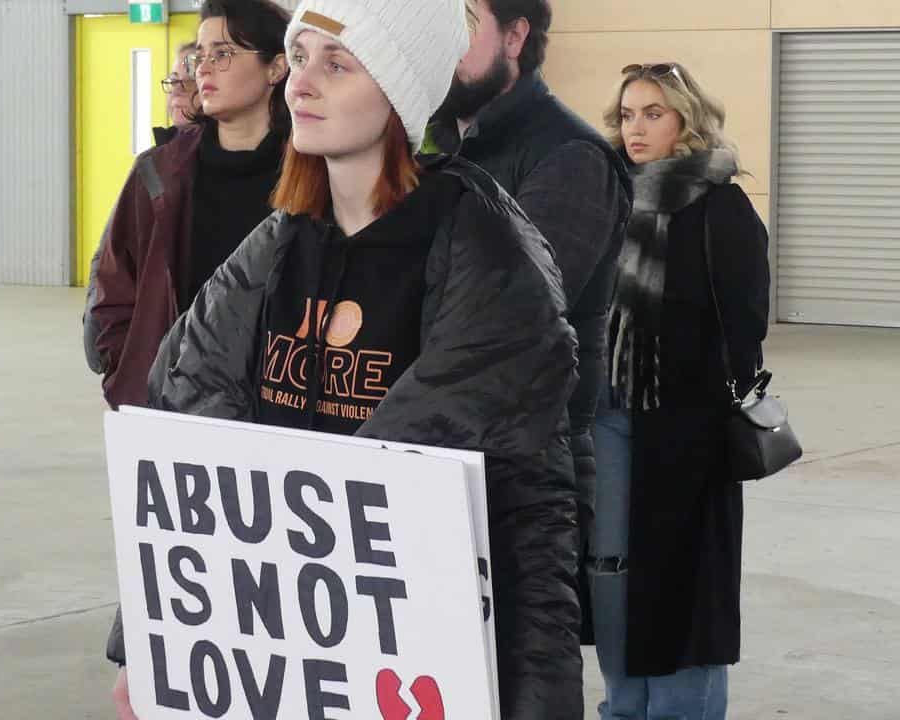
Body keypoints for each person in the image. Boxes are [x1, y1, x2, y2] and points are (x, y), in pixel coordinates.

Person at [108, 0, 583, 717]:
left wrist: (538, 702)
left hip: (422, 648)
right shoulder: (277, 249)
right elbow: (189, 452)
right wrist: (151, 639)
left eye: (337, 65)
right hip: (280, 644)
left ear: (398, 95)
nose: (300, 85)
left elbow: (529, 513)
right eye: (298, 60)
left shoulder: (484, 254)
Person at [430, 0, 631, 620]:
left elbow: (505, 324)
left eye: (461, 25)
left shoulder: (571, 157)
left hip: (522, 479)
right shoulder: (440, 147)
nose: (440, 44)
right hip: (438, 461)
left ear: (515, 36)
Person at [588, 62, 770, 720]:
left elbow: (745, 320)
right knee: (611, 573)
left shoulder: (719, 204)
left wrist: (710, 403)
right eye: (629, 114)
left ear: (684, 121)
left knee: (686, 587)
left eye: (653, 114)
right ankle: (624, 706)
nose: (636, 128)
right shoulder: (608, 195)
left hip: (687, 430)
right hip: (607, 417)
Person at [91, 0, 291, 409]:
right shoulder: (158, 173)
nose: (203, 67)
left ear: (277, 67)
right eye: (201, 55)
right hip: (172, 402)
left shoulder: (311, 172)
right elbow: (113, 284)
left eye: (224, 53)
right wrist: (130, 365)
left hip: (277, 405)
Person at [84, 42, 205, 376]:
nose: (178, 90)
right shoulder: (152, 167)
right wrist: (113, 351)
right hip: (152, 367)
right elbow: (110, 260)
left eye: (190, 76)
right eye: (173, 79)